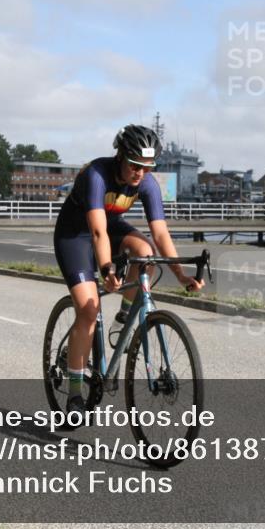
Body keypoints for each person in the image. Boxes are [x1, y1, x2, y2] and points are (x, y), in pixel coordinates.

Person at [53, 124, 204, 418]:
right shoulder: (97, 174)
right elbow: (97, 233)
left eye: (148, 167)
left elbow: (160, 234)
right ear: (120, 155)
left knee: (146, 253)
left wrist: (181, 275)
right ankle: (73, 390)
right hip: (75, 235)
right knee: (88, 308)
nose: (140, 173)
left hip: (110, 229)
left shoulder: (147, 184)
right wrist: (108, 269)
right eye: (135, 165)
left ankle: (123, 318)